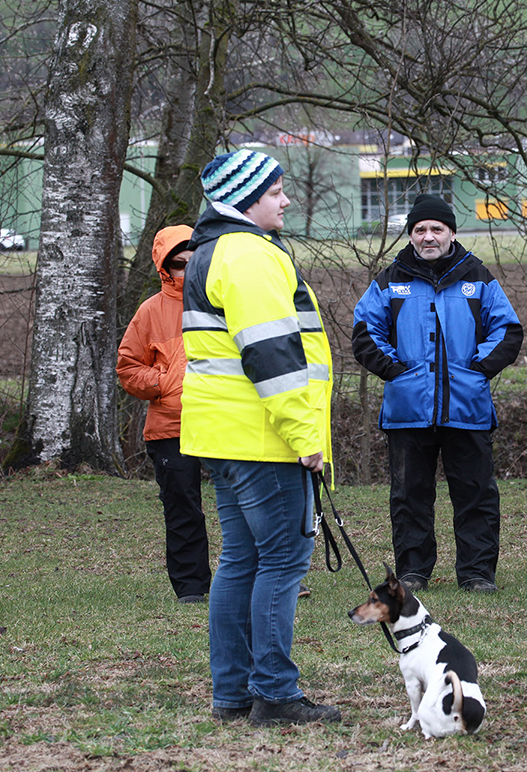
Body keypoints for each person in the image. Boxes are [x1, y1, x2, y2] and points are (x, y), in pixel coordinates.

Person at [181, 149, 340, 725]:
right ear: (246, 198)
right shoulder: (249, 255)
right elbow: (272, 355)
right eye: (276, 190)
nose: (286, 199)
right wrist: (305, 435)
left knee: (241, 562)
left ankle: (233, 695)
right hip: (264, 438)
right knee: (282, 562)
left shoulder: (210, 253)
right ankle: (273, 693)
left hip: (225, 438)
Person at [351, 193, 523, 594]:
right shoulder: (390, 279)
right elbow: (365, 333)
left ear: (451, 233)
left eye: (436, 229)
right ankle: (413, 572)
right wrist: (396, 370)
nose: (428, 237)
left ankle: (477, 573)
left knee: (477, 496)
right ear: (411, 235)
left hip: (468, 408)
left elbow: (508, 330)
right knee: (410, 497)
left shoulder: (477, 276)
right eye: (420, 230)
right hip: (408, 409)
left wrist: (476, 369)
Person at [117, 225, 211, 604]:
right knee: (182, 506)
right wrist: (165, 382)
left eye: (194, 260)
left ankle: (264, 580)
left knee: (245, 504)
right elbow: (127, 367)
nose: (187, 271)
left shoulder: (222, 299)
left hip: (226, 420)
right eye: (178, 264)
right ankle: (192, 588)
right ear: (163, 267)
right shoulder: (150, 311)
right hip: (170, 426)